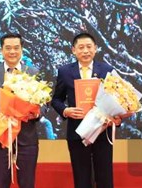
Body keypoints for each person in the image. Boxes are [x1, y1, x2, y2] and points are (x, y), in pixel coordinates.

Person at [51, 32, 124, 188]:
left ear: (95, 48)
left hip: (102, 131)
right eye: (81, 47)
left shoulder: (107, 69)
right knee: (81, 179)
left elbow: (117, 97)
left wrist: (117, 118)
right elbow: (56, 99)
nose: (85, 51)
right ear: (74, 50)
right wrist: (65, 111)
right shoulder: (64, 71)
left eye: (89, 47)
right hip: (77, 132)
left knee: (104, 178)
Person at [0, 33, 43, 188]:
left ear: (22, 49)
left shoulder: (33, 73)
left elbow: (43, 102)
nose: (12, 51)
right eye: (8, 48)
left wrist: (36, 113)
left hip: (27, 138)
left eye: (16, 48)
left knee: (27, 184)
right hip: (1, 137)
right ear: (1, 50)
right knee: (1, 183)